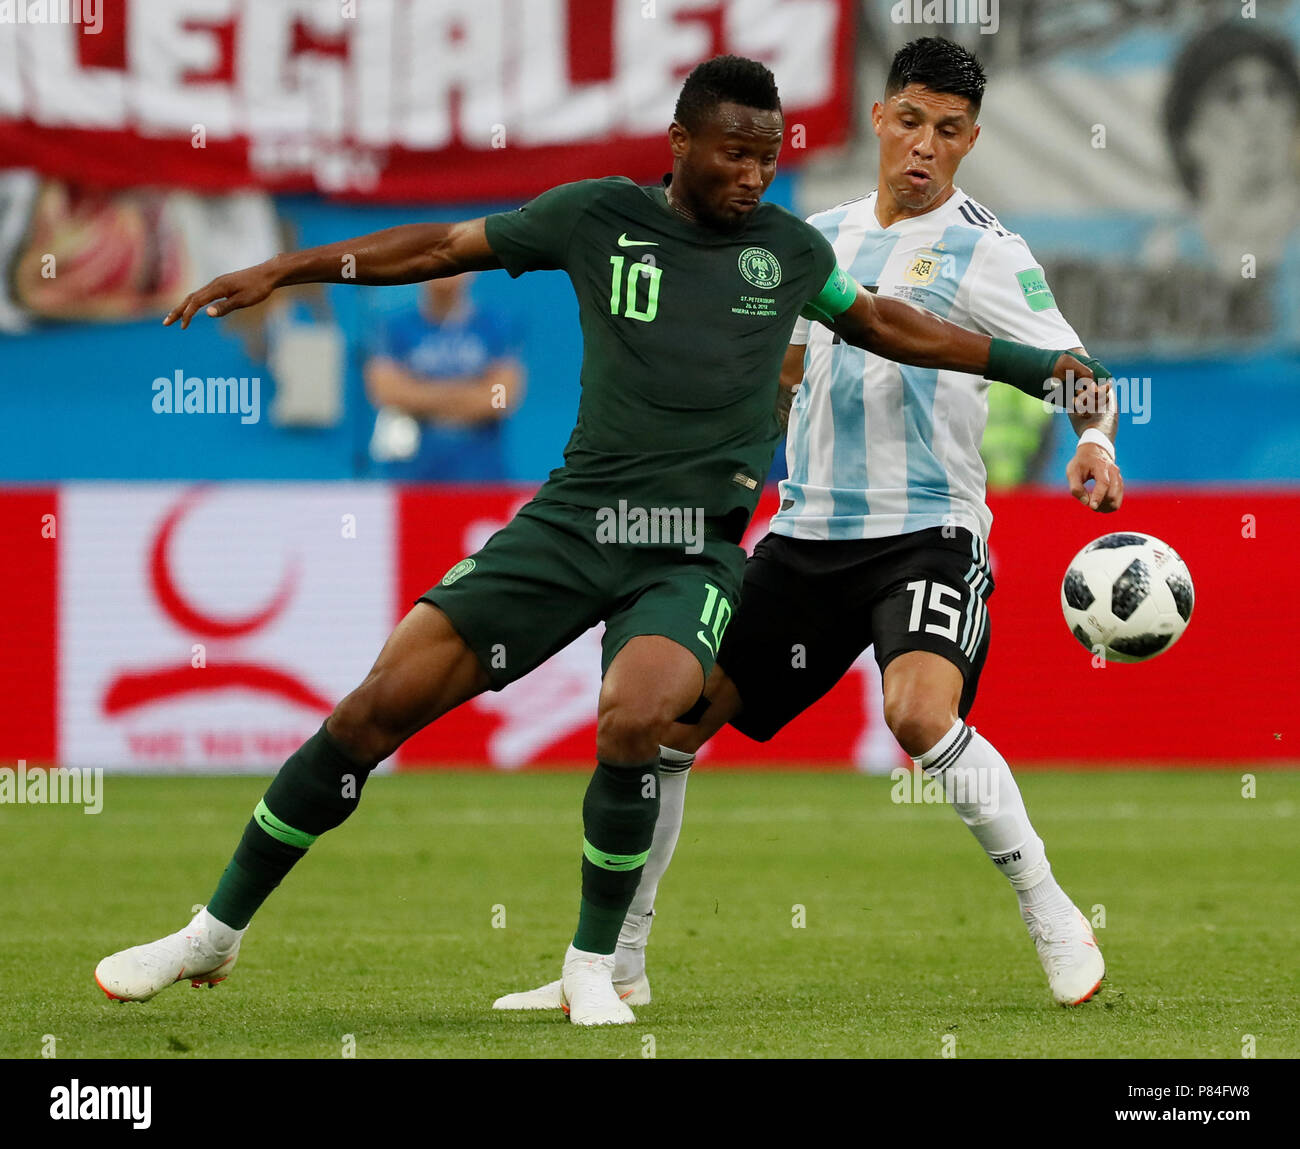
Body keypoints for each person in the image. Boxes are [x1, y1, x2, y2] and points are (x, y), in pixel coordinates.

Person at [94, 54, 1112, 1026]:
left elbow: (893, 327)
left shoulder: (815, 253)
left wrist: (1059, 388)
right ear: (679, 143)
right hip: (605, 525)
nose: (754, 175)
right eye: (735, 154)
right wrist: (286, 268)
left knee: (691, 717)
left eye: (768, 157)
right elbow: (443, 247)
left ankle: (603, 965)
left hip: (752, 544)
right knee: (379, 709)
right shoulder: (609, 217)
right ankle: (215, 933)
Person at [495, 39, 1120, 1014]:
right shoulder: (810, 240)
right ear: (878, 119)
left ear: (970, 141)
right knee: (669, 726)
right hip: (808, 535)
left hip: (926, 531)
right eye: (909, 121)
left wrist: (1095, 442)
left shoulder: (989, 250)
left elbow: (1075, 370)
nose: (924, 145)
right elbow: (783, 376)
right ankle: (619, 962)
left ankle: (1051, 910)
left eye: (948, 130)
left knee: (918, 715)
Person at [365, 273, 524, 480]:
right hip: (413, 478)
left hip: (482, 478)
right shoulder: (395, 328)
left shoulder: (495, 326)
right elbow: (387, 392)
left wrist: (418, 395)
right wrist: (470, 394)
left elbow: (500, 399)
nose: (445, 268)